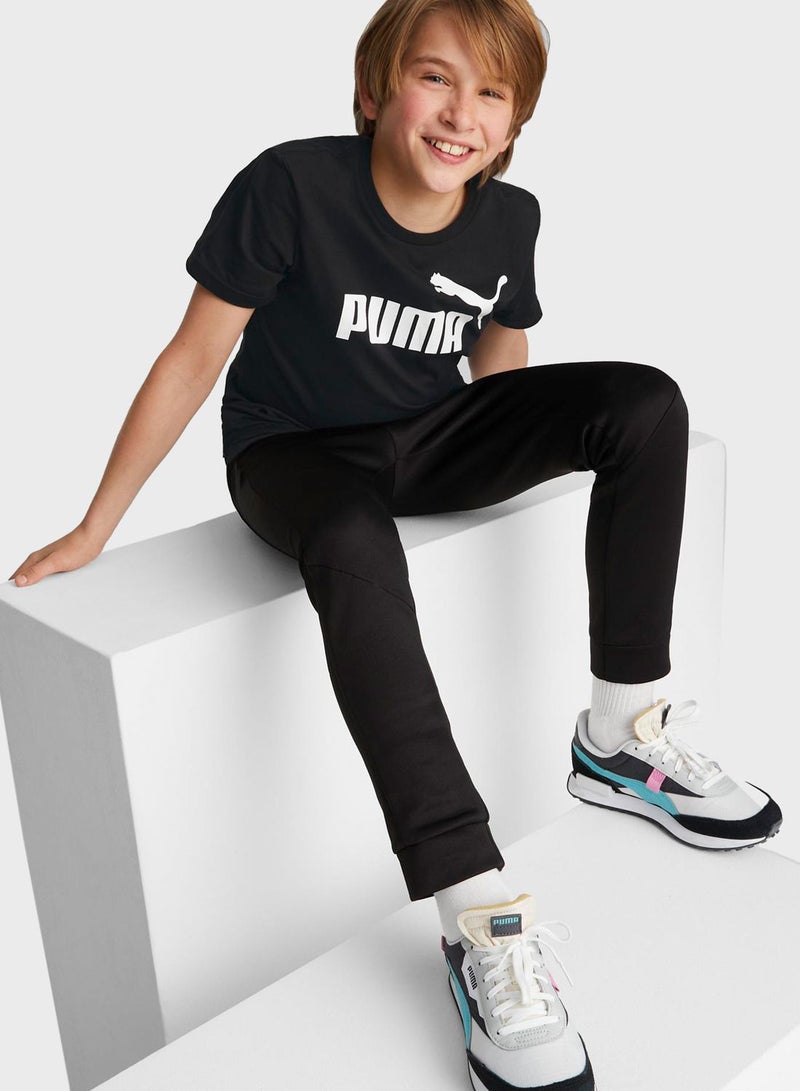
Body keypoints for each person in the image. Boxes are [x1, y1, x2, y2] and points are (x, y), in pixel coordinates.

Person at [9, 2, 783, 1088]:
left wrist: (514, 450)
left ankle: (620, 733)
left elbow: (500, 349)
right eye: (434, 79)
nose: (460, 113)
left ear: (513, 125)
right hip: (295, 452)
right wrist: (98, 522)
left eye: (490, 94)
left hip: (427, 437)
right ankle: (477, 912)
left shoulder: (511, 217)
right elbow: (192, 356)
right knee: (348, 535)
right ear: (374, 91)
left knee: (647, 403)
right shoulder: (289, 185)